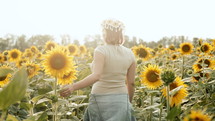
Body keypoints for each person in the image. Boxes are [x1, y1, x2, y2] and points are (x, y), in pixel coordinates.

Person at [60, 19, 136, 121]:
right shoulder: (130, 54)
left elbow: (96, 76)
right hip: (121, 98)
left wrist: (73, 87)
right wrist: (128, 102)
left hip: (100, 98)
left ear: (105, 33)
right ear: (121, 34)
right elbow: (131, 83)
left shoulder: (101, 50)